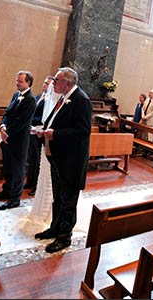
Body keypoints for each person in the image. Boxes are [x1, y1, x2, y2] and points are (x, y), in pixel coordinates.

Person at [35, 67, 92, 253]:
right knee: (58, 196)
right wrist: (43, 129)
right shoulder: (64, 96)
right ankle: (55, 228)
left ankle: (64, 237)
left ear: (67, 82)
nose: (54, 82)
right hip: (58, 157)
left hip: (71, 160)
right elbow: (55, 120)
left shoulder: (81, 100)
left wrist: (55, 134)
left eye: (57, 79)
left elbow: (83, 131)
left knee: (68, 200)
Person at [0, 71, 37, 210]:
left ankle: (15, 198)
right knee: (8, 166)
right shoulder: (16, 95)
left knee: (17, 169)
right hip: (7, 137)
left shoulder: (30, 99)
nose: (17, 83)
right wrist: (2, 126)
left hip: (19, 140)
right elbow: (7, 112)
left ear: (28, 83)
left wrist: (6, 133)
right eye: (17, 80)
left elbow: (22, 122)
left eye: (20, 81)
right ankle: (6, 191)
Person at [25, 75, 54, 196]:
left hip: (39, 132)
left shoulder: (50, 100)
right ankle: (30, 181)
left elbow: (43, 117)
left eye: (47, 84)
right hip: (31, 131)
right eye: (44, 83)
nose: (44, 85)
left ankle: (37, 185)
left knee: (38, 160)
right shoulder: (38, 97)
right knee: (32, 159)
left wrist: (30, 120)